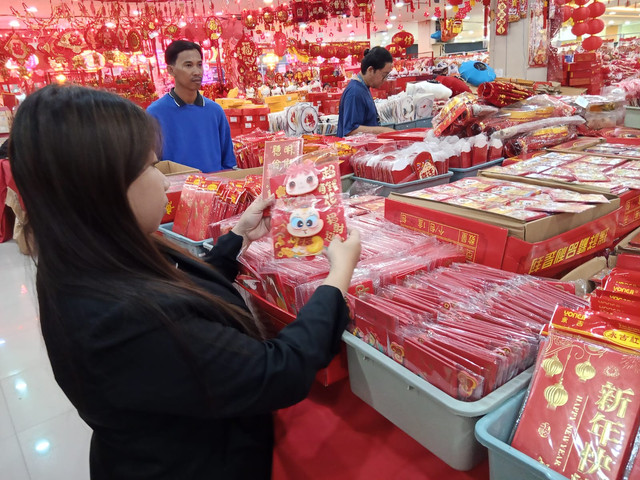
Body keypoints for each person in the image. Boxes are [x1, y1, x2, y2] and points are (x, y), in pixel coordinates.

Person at [9, 84, 361, 480]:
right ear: (101, 187)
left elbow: (174, 288)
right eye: (150, 167)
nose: (163, 182)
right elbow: (276, 372)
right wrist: (338, 278)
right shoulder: (119, 319)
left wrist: (239, 238)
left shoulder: (86, 258)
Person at [147, 40, 236, 173]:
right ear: (171, 70)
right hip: (175, 190)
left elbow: (228, 161)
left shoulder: (215, 111)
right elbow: (150, 166)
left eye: (199, 65)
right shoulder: (155, 114)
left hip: (213, 188)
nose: (197, 72)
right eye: (188, 65)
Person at [337, 46, 396, 137]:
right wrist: (382, 131)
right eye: (384, 75)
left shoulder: (363, 88)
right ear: (370, 70)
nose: (385, 80)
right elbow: (350, 131)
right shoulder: (355, 92)